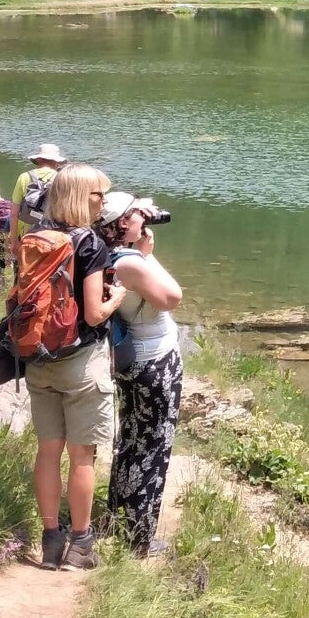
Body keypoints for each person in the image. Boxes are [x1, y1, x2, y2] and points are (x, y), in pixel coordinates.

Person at [22, 162, 125, 571]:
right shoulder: (90, 244)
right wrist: (118, 296)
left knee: (48, 452)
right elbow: (96, 314)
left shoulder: (35, 236)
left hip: (37, 358)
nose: (104, 201)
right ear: (83, 198)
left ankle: (50, 542)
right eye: (100, 195)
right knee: (83, 457)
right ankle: (80, 546)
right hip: (81, 362)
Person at [97, 192, 185, 557]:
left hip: (130, 362)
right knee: (153, 446)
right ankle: (140, 538)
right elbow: (172, 297)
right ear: (121, 224)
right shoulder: (130, 262)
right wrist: (150, 255)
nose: (143, 221)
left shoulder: (100, 251)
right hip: (154, 362)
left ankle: (116, 517)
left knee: (131, 440)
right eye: (136, 216)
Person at [9, 143, 67, 277]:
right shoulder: (61, 179)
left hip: (26, 234)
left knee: (22, 272)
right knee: (46, 274)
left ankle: (19, 295)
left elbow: (13, 212)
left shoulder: (24, 177)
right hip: (52, 234)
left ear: (38, 160)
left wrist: (13, 241)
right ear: (56, 162)